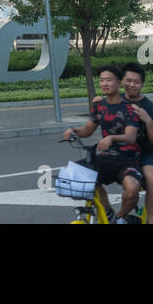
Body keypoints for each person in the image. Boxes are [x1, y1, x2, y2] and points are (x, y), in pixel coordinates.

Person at [62, 65, 143, 223]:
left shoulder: (129, 108)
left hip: (128, 159)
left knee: (132, 189)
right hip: (106, 158)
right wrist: (73, 130)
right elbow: (87, 129)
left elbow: (131, 137)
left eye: (109, 80)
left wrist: (112, 138)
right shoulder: (99, 106)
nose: (104, 83)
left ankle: (120, 218)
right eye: (102, 80)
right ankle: (108, 212)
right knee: (78, 174)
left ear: (119, 83)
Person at [120, 61, 153, 224]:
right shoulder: (115, 102)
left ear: (142, 84)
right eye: (128, 80)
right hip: (121, 153)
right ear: (121, 81)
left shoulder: (150, 108)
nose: (132, 84)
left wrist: (148, 121)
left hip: (145, 154)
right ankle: (117, 216)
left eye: (136, 82)